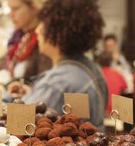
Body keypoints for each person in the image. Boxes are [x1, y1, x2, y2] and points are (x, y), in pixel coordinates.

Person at [22, 0, 108, 130]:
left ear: (58, 31)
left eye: (43, 23)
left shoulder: (58, 82)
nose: (38, 30)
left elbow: (20, 122)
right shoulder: (94, 69)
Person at [0, 0, 51, 89]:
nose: (10, 14)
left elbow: (42, 83)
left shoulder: (44, 40)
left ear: (33, 8)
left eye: (15, 9)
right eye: (10, 9)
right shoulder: (18, 38)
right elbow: (3, 68)